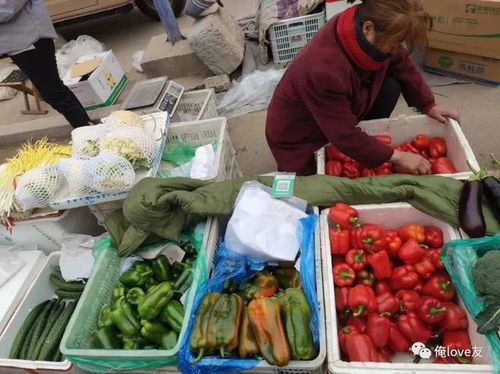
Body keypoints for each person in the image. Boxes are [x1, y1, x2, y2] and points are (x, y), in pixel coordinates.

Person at [266, 0, 459, 176]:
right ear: (368, 28)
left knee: (390, 86)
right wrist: (397, 156)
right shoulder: (323, 69)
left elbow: (401, 62)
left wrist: (428, 104)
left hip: (333, 109)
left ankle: (366, 144)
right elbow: (343, 134)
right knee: (312, 187)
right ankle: (360, 148)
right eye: (394, 44)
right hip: (301, 134)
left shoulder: (364, 26)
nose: (396, 49)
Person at [0, 0, 90, 128]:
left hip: (30, 42)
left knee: (56, 94)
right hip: (19, 44)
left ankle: (88, 133)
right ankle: (88, 131)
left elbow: (8, 7)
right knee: (54, 93)